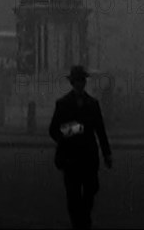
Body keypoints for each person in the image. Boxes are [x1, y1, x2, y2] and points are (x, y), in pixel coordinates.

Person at [49, 65, 112, 229]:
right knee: (73, 194)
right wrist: (74, 129)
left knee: (91, 189)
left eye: (82, 80)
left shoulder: (93, 103)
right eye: (77, 81)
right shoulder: (62, 104)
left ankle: (83, 217)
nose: (80, 84)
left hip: (89, 156)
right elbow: (53, 130)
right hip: (71, 156)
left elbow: (100, 130)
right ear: (72, 83)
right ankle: (79, 223)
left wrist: (107, 153)